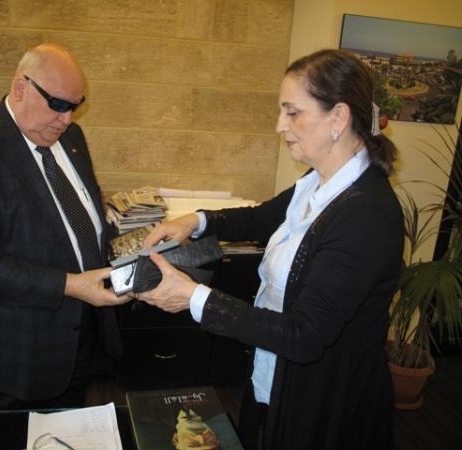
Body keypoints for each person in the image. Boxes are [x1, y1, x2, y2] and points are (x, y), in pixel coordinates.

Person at [136, 48, 403, 450]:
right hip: (275, 370)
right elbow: (262, 218)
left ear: (338, 117)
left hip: (325, 400)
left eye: (292, 112)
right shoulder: (318, 180)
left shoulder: (367, 215)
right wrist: (196, 221)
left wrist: (194, 297)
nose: (280, 125)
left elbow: (303, 335)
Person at [0, 43, 130, 410]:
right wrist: (71, 285)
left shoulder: (71, 138)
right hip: (14, 349)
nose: (66, 119)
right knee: (11, 435)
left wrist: (129, 245)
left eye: (75, 106)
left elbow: (79, 218)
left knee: (69, 426)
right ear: (21, 88)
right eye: (58, 104)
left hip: (80, 334)